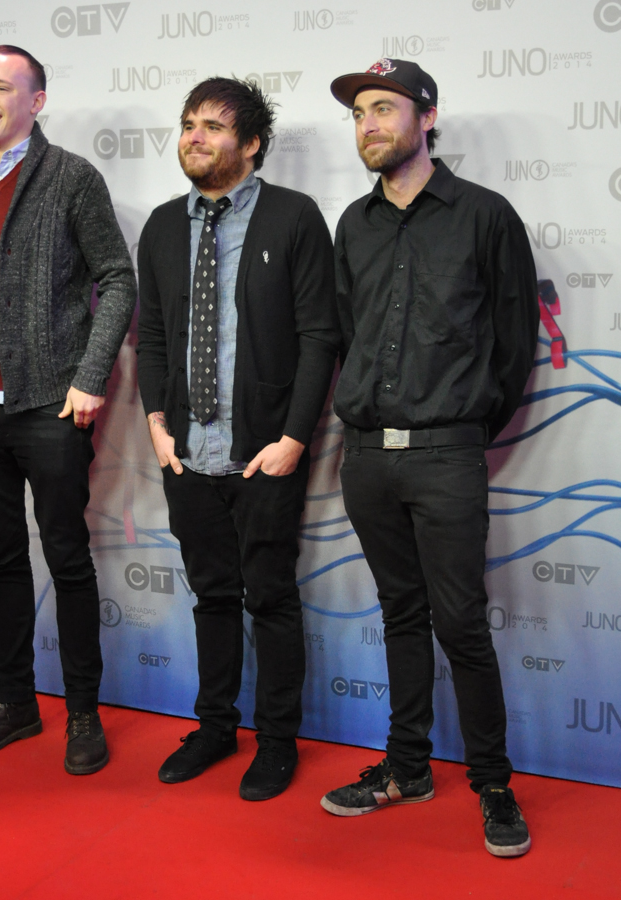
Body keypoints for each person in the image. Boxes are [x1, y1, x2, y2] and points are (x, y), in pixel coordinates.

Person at [322, 59, 538, 856]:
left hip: (448, 454)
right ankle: (405, 768)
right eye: (358, 114)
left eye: (384, 108)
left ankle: (493, 783)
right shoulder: (354, 223)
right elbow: (346, 336)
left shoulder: (485, 216)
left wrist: (466, 427)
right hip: (368, 458)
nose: (369, 124)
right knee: (399, 616)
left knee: (461, 625)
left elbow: (514, 349)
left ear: (427, 116)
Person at [136, 77, 339, 800]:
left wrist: (293, 438)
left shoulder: (293, 217)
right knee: (211, 596)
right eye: (189, 123)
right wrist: (157, 425)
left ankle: (277, 740)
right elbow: (153, 336)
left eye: (214, 126)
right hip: (186, 453)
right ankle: (216, 727)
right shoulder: (162, 225)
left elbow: (320, 337)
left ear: (251, 144)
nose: (195, 136)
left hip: (264, 454)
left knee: (271, 597)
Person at [0, 45, 136, 774]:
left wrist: (89, 377)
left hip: (51, 410)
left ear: (36, 101)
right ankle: (14, 701)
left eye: (3, 87)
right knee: (0, 557)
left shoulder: (72, 178)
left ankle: (83, 711)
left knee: (67, 558)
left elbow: (117, 278)